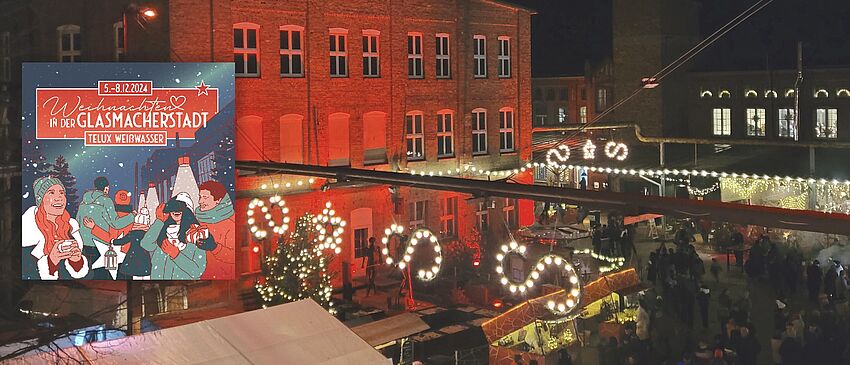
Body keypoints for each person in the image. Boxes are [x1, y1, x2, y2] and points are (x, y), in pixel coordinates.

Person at [22, 176, 89, 280]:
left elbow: (89, 277)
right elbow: (24, 275)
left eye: (62, 193)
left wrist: (76, 262)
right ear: (41, 199)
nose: (59, 198)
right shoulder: (27, 232)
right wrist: (51, 261)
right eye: (51, 193)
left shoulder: (71, 229)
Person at [76, 176, 135, 279]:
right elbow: (116, 223)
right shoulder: (106, 201)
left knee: (88, 273)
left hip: (85, 244)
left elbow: (77, 223)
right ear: (106, 188)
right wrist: (132, 216)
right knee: (101, 274)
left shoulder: (84, 201)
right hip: (100, 243)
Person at [83, 190, 150, 279]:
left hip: (121, 259)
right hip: (132, 259)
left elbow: (109, 238)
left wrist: (94, 228)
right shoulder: (135, 220)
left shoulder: (115, 220)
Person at [140, 197, 212, 279]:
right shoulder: (163, 232)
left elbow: (197, 271)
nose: (176, 211)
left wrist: (177, 255)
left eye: (180, 208)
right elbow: (146, 244)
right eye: (173, 207)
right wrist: (159, 221)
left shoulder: (196, 235)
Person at [196, 180, 235, 280]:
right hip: (201, 275)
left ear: (218, 200)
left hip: (222, 277)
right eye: (200, 197)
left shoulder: (230, 222)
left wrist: (214, 247)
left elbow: (234, 256)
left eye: (205, 198)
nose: (200, 201)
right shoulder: (198, 219)